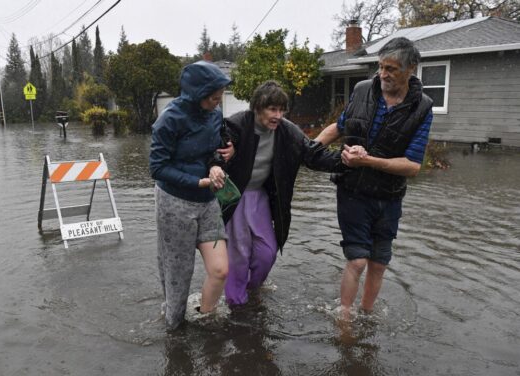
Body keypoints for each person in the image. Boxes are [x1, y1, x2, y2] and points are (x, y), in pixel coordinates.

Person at [314, 37, 434, 319]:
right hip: (352, 191)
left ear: (411, 69)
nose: (383, 75)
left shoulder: (423, 108)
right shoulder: (362, 90)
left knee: (378, 264)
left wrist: (367, 160)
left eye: (391, 69)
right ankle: (344, 318)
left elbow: (412, 166)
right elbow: (340, 127)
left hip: (389, 198)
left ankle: (366, 315)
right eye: (381, 67)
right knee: (357, 261)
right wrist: (309, 149)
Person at [222, 80, 344, 307]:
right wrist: (224, 150)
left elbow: (312, 155)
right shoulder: (238, 124)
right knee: (239, 254)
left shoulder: (288, 131)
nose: (278, 115)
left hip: (260, 196)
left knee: (267, 252)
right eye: (272, 109)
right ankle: (236, 304)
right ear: (257, 108)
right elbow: (218, 142)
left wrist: (345, 160)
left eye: (281, 110)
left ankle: (252, 290)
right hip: (234, 196)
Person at [149, 60, 233, 330]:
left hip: (208, 202)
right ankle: (174, 335)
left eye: (221, 95)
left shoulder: (215, 115)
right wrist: (198, 181)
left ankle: (207, 323)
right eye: (213, 96)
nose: (218, 100)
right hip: (174, 203)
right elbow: (157, 168)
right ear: (197, 93)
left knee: (220, 270)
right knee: (178, 276)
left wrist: (217, 165)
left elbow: (213, 150)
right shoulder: (169, 120)